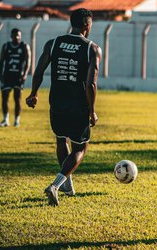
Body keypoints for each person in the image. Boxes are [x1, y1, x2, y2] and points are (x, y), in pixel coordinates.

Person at [26, 8, 102, 206]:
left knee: (61, 140)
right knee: (80, 148)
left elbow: (38, 71)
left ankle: (67, 184)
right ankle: (56, 185)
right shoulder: (91, 48)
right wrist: (92, 110)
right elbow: (91, 84)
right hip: (78, 105)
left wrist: (34, 93)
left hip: (56, 103)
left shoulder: (54, 43)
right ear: (87, 25)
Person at [0, 28, 31, 127]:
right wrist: (0, 74)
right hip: (7, 75)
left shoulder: (24, 46)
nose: (17, 37)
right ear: (11, 36)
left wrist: (25, 74)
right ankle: (5, 120)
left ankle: (17, 121)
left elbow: (28, 62)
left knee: (17, 98)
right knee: (5, 97)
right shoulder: (6, 46)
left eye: (18, 35)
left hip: (19, 76)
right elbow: (1, 61)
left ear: (20, 36)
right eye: (15, 35)